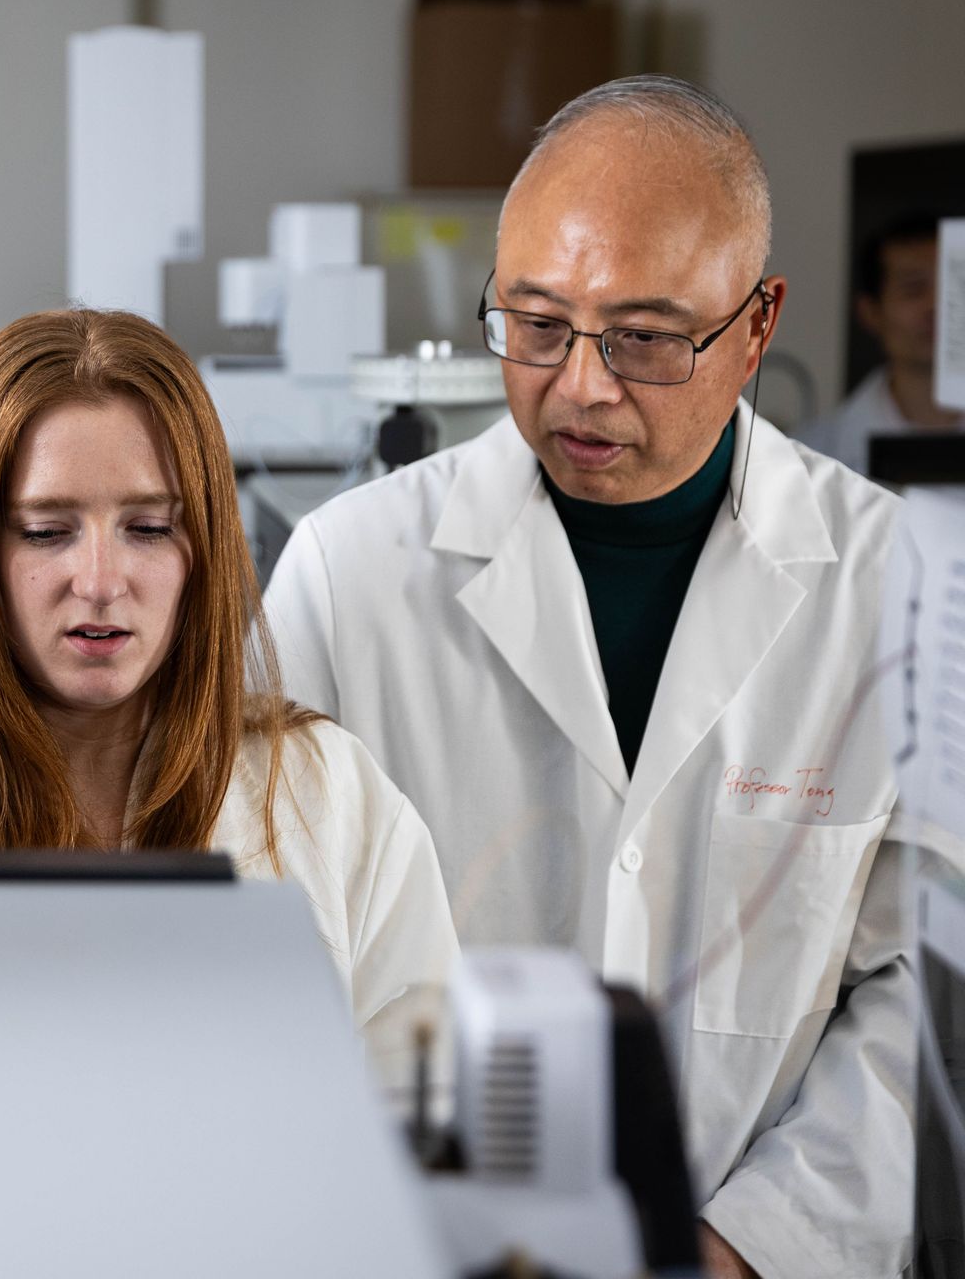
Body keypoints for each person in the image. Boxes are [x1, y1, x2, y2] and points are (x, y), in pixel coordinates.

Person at [265, 76, 907, 1279]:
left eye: (646, 338)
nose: (582, 386)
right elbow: (268, 964)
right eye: (538, 324)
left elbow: (922, 999)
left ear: (758, 325)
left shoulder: (893, 591)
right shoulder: (346, 578)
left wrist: (748, 1247)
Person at [0, 308, 458, 1076]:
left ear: (205, 550)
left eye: (149, 527)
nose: (98, 583)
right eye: (45, 531)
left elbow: (425, 1111)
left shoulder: (327, 793)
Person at [795, 212, 961, 474]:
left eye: (954, 287)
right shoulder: (812, 454)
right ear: (871, 312)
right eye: (914, 289)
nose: (938, 306)